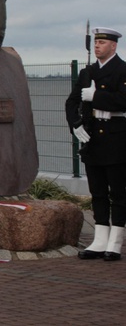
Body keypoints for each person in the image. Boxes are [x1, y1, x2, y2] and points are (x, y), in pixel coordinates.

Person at [66, 27, 126, 261]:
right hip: (93, 138)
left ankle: (115, 241)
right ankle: (100, 239)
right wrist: (76, 124)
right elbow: (71, 102)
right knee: (98, 191)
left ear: (113, 46)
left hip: (116, 136)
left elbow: (124, 100)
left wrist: (96, 97)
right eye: (96, 42)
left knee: (118, 192)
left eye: (102, 42)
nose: (97, 46)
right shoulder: (87, 72)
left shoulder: (122, 70)